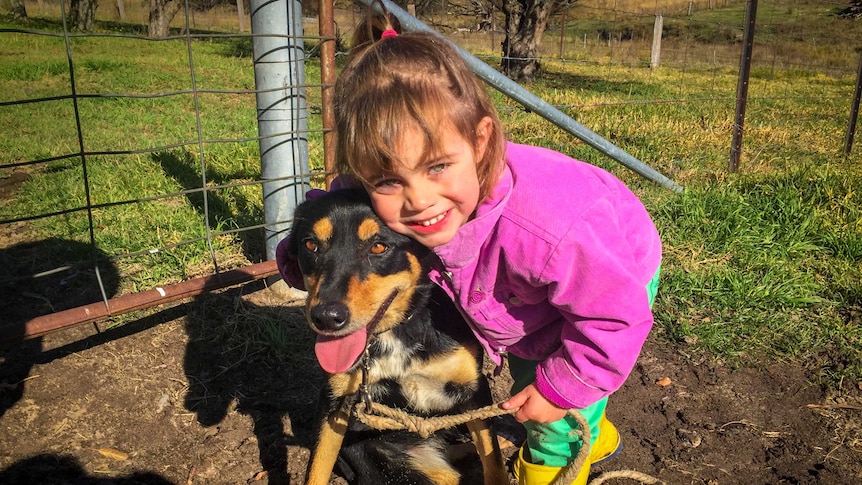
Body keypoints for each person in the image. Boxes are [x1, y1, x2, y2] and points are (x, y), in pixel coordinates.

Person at [277, 7, 662, 485]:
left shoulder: (549, 229)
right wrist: (302, 255)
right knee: (529, 364)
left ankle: (558, 458)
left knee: (550, 413)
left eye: (437, 166)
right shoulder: (406, 185)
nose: (418, 200)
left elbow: (612, 319)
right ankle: (597, 433)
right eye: (389, 180)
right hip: (524, 291)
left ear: (481, 141)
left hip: (607, 273)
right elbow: (335, 211)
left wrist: (563, 390)